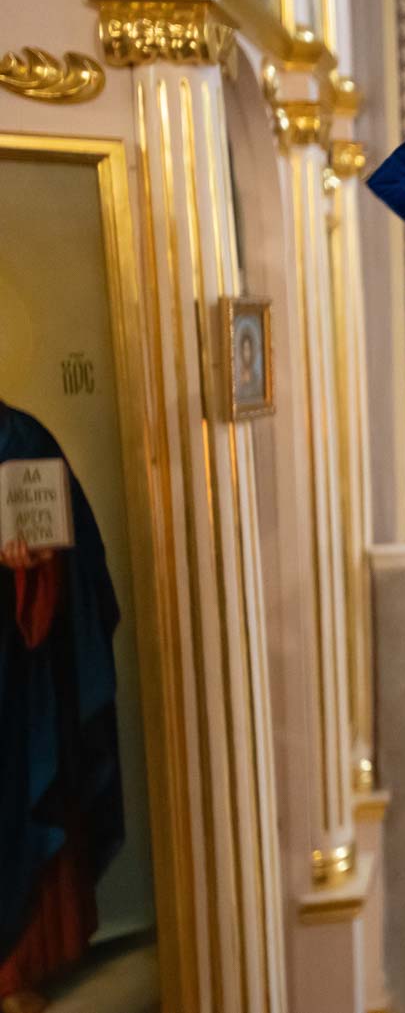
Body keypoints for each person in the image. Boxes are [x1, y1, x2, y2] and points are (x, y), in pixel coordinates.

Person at [1, 402, 123, 1013]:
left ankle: (13, 969)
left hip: (15, 678)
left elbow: (76, 566)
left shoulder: (24, 440)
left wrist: (37, 572)